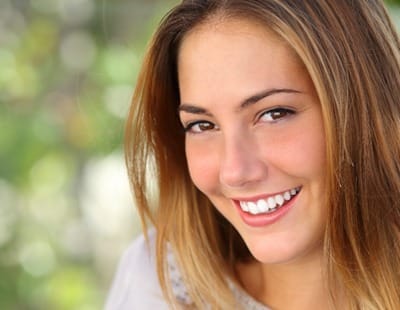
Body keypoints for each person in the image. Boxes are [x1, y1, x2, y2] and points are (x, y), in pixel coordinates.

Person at [105, 0, 400, 309]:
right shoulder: (157, 285)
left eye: (274, 114)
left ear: (364, 112)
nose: (235, 172)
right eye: (202, 125)